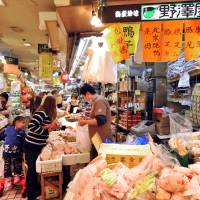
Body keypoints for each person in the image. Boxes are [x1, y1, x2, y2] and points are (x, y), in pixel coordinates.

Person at [24, 96, 58, 200]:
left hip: (38, 144)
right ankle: (30, 195)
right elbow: (32, 126)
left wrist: (50, 127)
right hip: (32, 144)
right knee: (32, 170)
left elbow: (42, 126)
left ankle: (36, 189)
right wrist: (46, 131)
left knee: (35, 169)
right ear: (52, 104)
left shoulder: (45, 113)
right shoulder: (41, 112)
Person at [78, 84, 112, 156]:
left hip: (101, 139)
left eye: (83, 96)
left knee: (100, 161)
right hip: (97, 138)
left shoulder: (99, 101)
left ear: (87, 93)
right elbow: (97, 118)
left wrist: (85, 122)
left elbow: (101, 120)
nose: (84, 98)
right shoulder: (96, 101)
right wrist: (88, 119)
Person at [0, 116, 25, 191]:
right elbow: (1, 136)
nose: (24, 124)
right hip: (7, 152)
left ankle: (17, 176)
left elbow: (23, 143)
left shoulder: (22, 132)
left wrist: (23, 151)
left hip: (17, 153)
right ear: (16, 122)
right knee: (7, 166)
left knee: (17, 163)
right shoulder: (8, 129)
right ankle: (8, 180)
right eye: (22, 122)